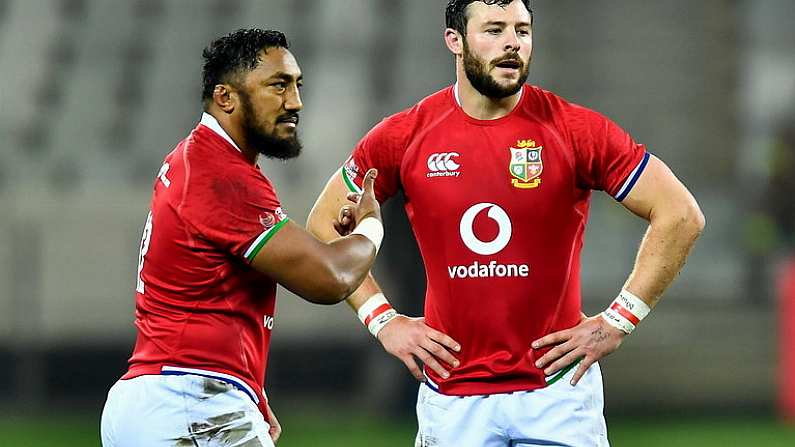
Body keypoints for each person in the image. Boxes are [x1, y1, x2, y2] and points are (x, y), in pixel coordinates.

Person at [307, 1, 705, 445]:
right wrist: (383, 320)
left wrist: (618, 321)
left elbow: (681, 214)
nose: (513, 43)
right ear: (454, 41)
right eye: (494, 30)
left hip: (557, 396)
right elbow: (324, 222)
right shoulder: (405, 134)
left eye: (522, 30)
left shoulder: (574, 129)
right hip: (452, 398)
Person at [100, 28, 384, 447]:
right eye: (278, 85)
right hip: (189, 403)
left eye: (297, 85)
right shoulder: (223, 177)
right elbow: (332, 279)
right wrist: (371, 223)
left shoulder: (193, 158)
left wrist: (249, 385)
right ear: (226, 97)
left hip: (167, 397)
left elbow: (203, 287)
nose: (295, 102)